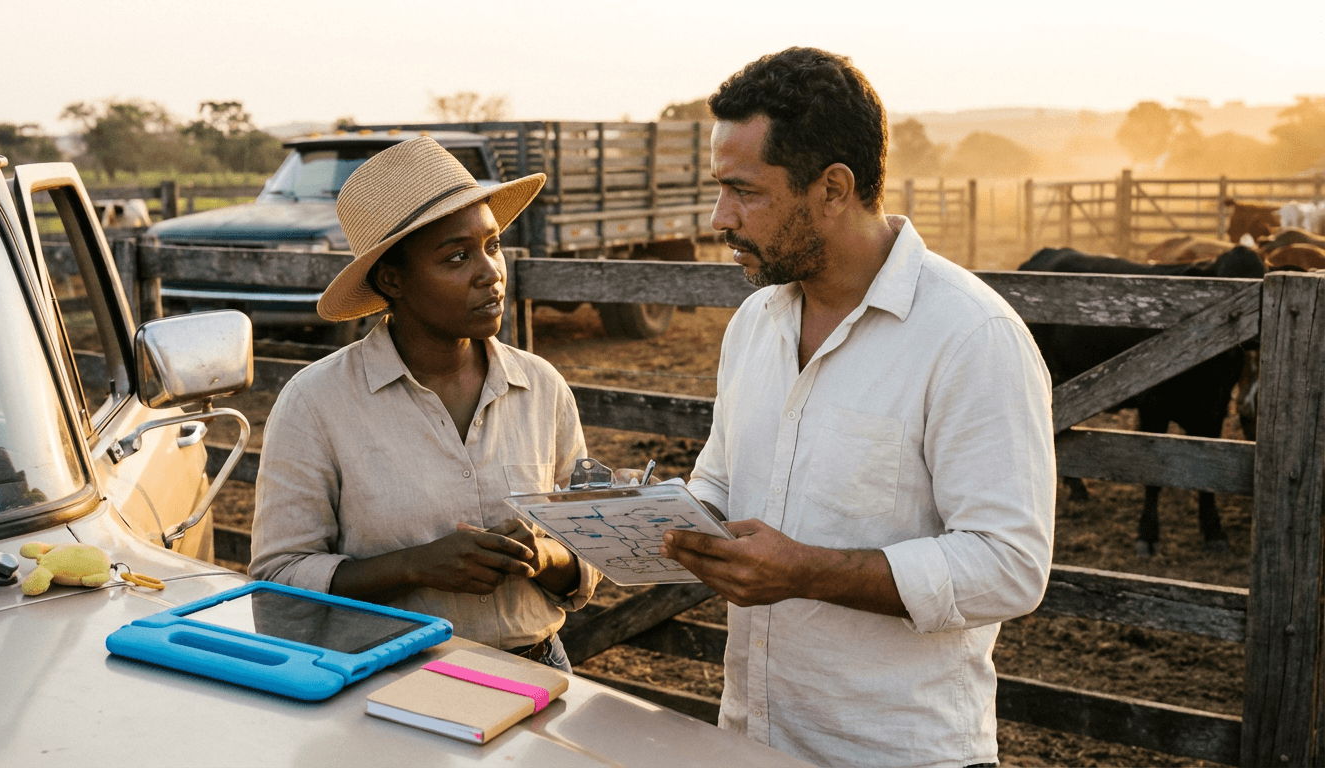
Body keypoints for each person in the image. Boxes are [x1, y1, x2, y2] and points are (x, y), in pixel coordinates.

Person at [660, 48, 1056, 767]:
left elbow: (1010, 566)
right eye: (720, 190)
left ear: (833, 189)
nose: (720, 218)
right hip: (751, 737)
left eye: (744, 191)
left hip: (899, 751)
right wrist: (649, 520)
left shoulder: (972, 335)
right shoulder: (754, 324)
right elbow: (719, 482)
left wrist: (806, 570)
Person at [249, 137, 598, 671]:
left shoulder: (541, 388)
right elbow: (278, 580)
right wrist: (415, 567)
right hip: (386, 682)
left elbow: (591, 550)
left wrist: (544, 554)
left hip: (538, 670)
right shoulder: (316, 403)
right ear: (392, 279)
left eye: (493, 245)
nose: (490, 272)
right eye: (457, 256)